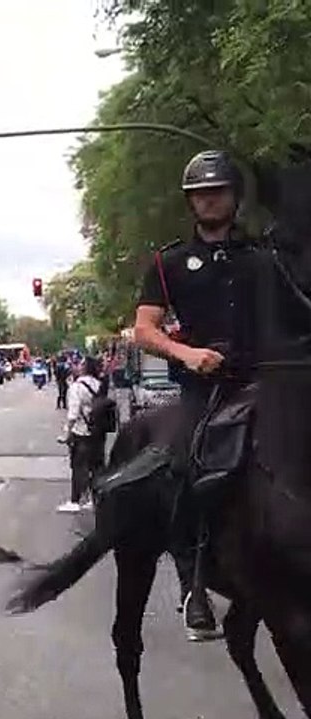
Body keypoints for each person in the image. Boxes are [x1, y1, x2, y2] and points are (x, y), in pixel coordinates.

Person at [133, 149, 263, 641]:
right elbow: (144, 329)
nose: (209, 201)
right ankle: (194, 587)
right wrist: (187, 356)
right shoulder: (167, 264)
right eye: (200, 195)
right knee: (179, 470)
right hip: (203, 387)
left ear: (235, 197)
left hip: (263, 379)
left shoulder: (261, 257)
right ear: (191, 203)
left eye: (217, 192)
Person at [59, 356, 106, 513]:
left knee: (78, 467)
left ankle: (75, 500)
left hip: (82, 431)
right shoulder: (99, 384)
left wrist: (67, 432)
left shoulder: (76, 387)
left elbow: (73, 414)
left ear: (84, 367)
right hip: (98, 430)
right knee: (97, 466)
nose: (77, 366)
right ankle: (96, 499)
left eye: (80, 364)